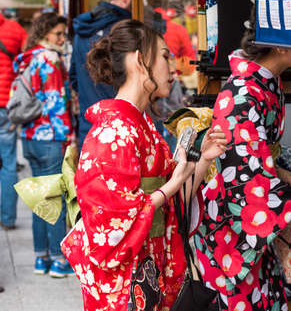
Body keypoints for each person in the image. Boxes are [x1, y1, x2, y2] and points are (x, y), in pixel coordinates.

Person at [193, 1, 291, 311]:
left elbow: (250, 157)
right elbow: (248, 186)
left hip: (249, 236)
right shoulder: (242, 94)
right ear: (282, 46)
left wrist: (277, 171)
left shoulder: (264, 83)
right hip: (231, 241)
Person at [61, 19, 227, 311]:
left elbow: (171, 206)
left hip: (150, 272)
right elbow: (110, 230)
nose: (173, 65)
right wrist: (173, 184)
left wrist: (202, 160)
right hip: (126, 284)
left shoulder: (141, 126)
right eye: (164, 56)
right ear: (140, 60)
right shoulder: (113, 134)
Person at [14, 12, 73, 277]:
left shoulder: (28, 58)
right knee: (55, 200)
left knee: (39, 199)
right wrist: (67, 135)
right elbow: (55, 102)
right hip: (50, 137)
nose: (62, 38)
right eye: (58, 33)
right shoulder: (49, 59)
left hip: (29, 136)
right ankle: (60, 260)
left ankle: (42, 258)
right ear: (44, 33)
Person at [70, 0, 132, 148]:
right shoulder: (125, 30)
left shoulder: (82, 31)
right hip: (121, 127)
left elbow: (74, 78)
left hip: (89, 125)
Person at [0, 11, 27, 230]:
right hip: (5, 104)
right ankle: (7, 218)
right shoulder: (15, 29)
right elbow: (24, 64)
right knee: (8, 163)